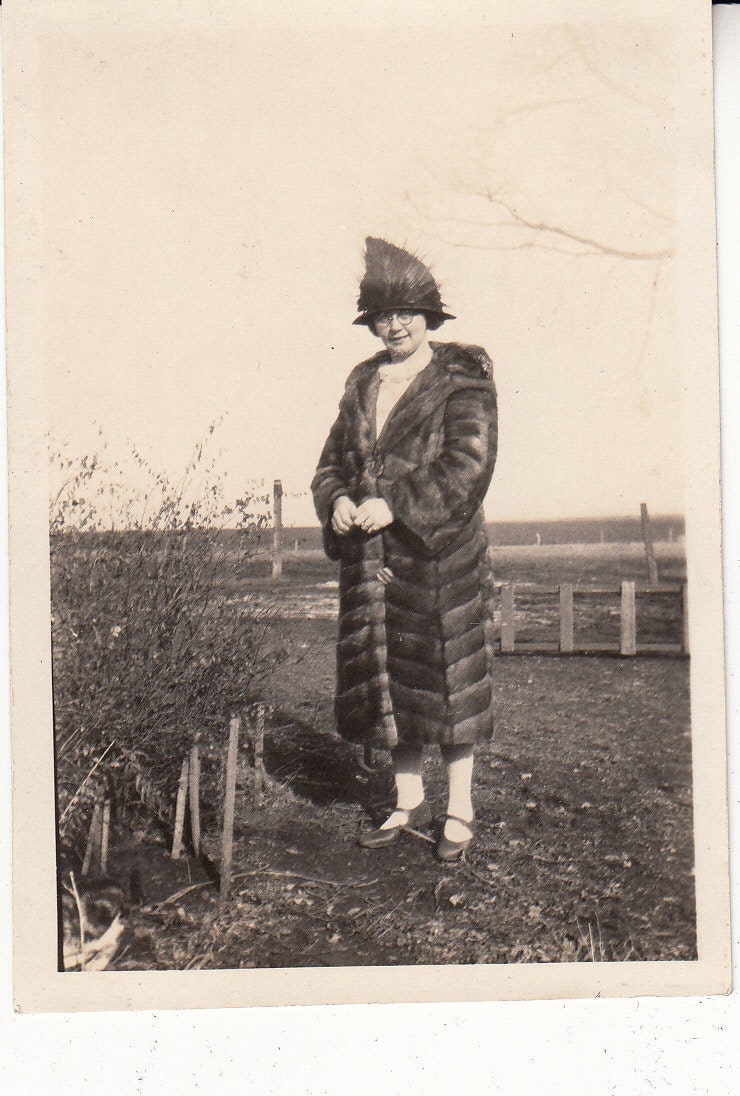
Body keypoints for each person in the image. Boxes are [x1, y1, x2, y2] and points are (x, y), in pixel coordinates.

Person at [311, 238, 498, 861]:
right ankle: (408, 801)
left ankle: (461, 811)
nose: (394, 325)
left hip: (437, 560)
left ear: (429, 317)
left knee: (449, 690)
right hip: (371, 562)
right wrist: (336, 499)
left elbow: (467, 466)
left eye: (406, 313)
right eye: (382, 316)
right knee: (390, 687)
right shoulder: (363, 380)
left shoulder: (462, 376)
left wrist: (397, 503)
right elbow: (332, 463)